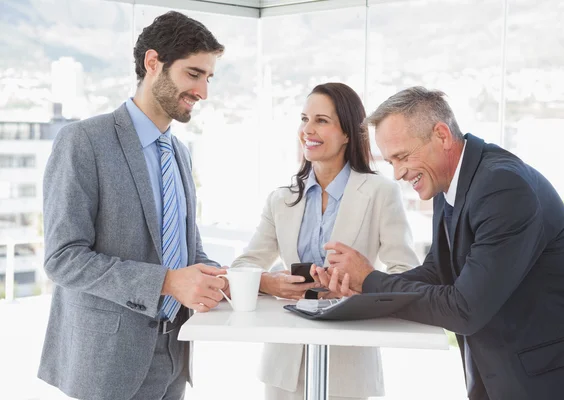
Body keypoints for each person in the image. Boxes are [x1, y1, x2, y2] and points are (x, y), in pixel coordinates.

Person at [315, 86, 564, 400]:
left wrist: (371, 280)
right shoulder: (449, 182)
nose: (397, 173)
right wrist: (360, 287)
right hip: (510, 372)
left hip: (558, 377)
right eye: (391, 162)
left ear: (441, 135)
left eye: (402, 157)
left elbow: (465, 308)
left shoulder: (503, 187)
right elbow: (439, 271)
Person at [38, 11, 229, 400]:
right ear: (153, 63)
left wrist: (247, 283)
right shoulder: (84, 141)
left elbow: (188, 252)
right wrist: (166, 282)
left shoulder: (179, 153)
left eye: (208, 78)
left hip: (174, 356)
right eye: (194, 74)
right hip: (106, 365)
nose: (203, 92)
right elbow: (63, 258)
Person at [231, 82, 419, 400]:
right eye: (304, 119)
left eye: (321, 120)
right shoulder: (281, 199)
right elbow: (243, 266)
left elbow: (407, 272)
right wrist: (271, 283)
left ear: (347, 132)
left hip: (349, 361)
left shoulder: (380, 193)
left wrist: (362, 284)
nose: (308, 129)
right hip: (285, 364)